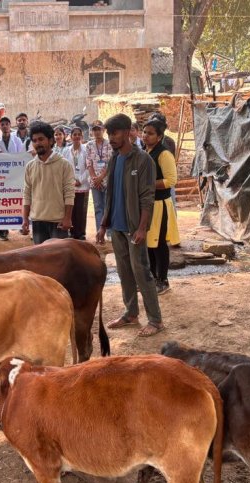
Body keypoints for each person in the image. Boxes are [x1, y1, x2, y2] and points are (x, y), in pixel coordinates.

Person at [95, 114, 163, 337]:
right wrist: (104, 224)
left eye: (114, 133)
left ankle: (155, 320)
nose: (110, 138)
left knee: (141, 272)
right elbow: (110, 194)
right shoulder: (115, 158)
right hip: (116, 227)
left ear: (126, 132)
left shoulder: (143, 160)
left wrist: (142, 228)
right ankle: (131, 313)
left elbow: (147, 197)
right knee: (124, 272)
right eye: (108, 134)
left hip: (134, 228)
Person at [21, 121, 75, 245]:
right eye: (34, 140)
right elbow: (27, 193)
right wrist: (25, 219)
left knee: (58, 262)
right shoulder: (30, 166)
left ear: (51, 141)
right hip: (37, 220)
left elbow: (69, 193)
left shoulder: (64, 164)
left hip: (58, 222)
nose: (37, 143)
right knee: (40, 262)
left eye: (41, 139)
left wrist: (67, 218)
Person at [142, 119, 180, 295]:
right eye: (144, 132)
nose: (145, 136)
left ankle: (163, 280)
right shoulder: (144, 152)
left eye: (150, 133)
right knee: (149, 243)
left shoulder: (164, 155)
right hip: (147, 205)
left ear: (159, 136)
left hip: (160, 206)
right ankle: (151, 276)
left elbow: (171, 180)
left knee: (159, 244)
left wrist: (147, 184)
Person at [86, 120, 113, 239]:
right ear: (92, 131)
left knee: (108, 206)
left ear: (103, 130)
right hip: (94, 181)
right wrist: (94, 178)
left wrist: (101, 177)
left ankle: (110, 233)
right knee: (98, 207)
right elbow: (88, 163)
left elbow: (110, 162)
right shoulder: (89, 145)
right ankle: (99, 232)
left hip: (107, 180)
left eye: (99, 129)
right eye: (95, 129)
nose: (97, 132)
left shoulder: (109, 144)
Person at [63, 127, 89, 240]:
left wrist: (81, 180)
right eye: (75, 134)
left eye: (79, 134)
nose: (77, 136)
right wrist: (73, 180)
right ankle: (72, 231)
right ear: (71, 136)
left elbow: (89, 167)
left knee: (81, 210)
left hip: (83, 184)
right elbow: (64, 167)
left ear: (82, 137)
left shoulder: (86, 150)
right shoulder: (66, 150)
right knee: (71, 208)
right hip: (70, 184)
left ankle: (81, 232)